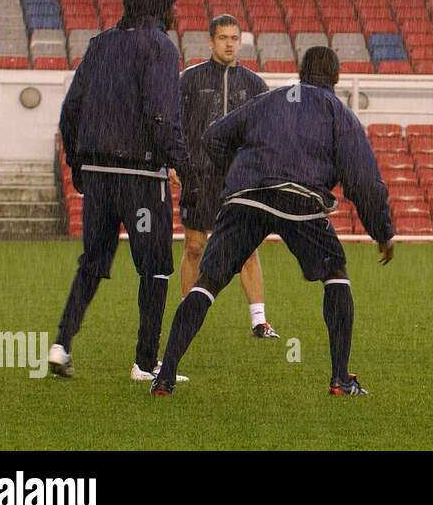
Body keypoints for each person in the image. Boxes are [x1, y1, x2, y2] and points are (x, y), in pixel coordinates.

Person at [151, 47, 395, 396]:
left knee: (209, 282)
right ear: (337, 78)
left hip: (247, 197)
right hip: (300, 200)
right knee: (335, 275)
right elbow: (365, 181)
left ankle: (166, 376)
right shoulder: (338, 113)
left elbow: (213, 137)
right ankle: (341, 378)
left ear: (300, 72)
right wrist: (382, 232)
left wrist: (237, 172)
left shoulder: (270, 100)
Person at [48, 0, 190, 383]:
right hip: (141, 175)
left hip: (98, 175)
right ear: (160, 7)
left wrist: (79, 162)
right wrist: (182, 163)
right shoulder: (160, 47)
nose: (175, 12)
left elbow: (71, 109)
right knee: (156, 268)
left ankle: (61, 344)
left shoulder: (100, 44)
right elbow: (160, 113)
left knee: (92, 261)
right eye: (172, 5)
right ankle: (145, 363)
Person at [177, 14, 276, 339]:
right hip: (199, 176)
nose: (230, 43)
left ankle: (259, 321)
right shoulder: (190, 79)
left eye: (235, 38)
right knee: (195, 246)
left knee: (246, 247)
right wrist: (172, 164)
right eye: (223, 38)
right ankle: (187, 316)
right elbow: (174, 126)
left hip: (240, 179)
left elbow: (266, 133)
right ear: (211, 41)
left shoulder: (254, 84)